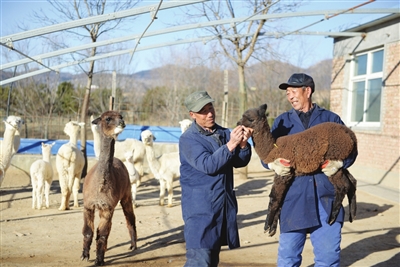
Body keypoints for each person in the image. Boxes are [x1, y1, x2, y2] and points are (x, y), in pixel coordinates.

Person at [263, 73, 358, 267]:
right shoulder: (282, 122)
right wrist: (272, 165)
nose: (290, 96)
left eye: (293, 92)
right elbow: (267, 152)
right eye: (288, 93)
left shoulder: (331, 119)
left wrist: (340, 164)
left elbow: (351, 149)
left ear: (308, 91)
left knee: (328, 258)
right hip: (294, 197)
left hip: (327, 198)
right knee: (288, 257)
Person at [179, 91, 253, 267]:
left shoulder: (223, 132)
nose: (210, 113)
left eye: (210, 107)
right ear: (192, 115)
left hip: (222, 208)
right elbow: (208, 165)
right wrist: (232, 144)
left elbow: (239, 162)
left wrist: (243, 145)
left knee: (211, 261)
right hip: (200, 211)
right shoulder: (189, 139)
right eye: (203, 111)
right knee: (199, 261)